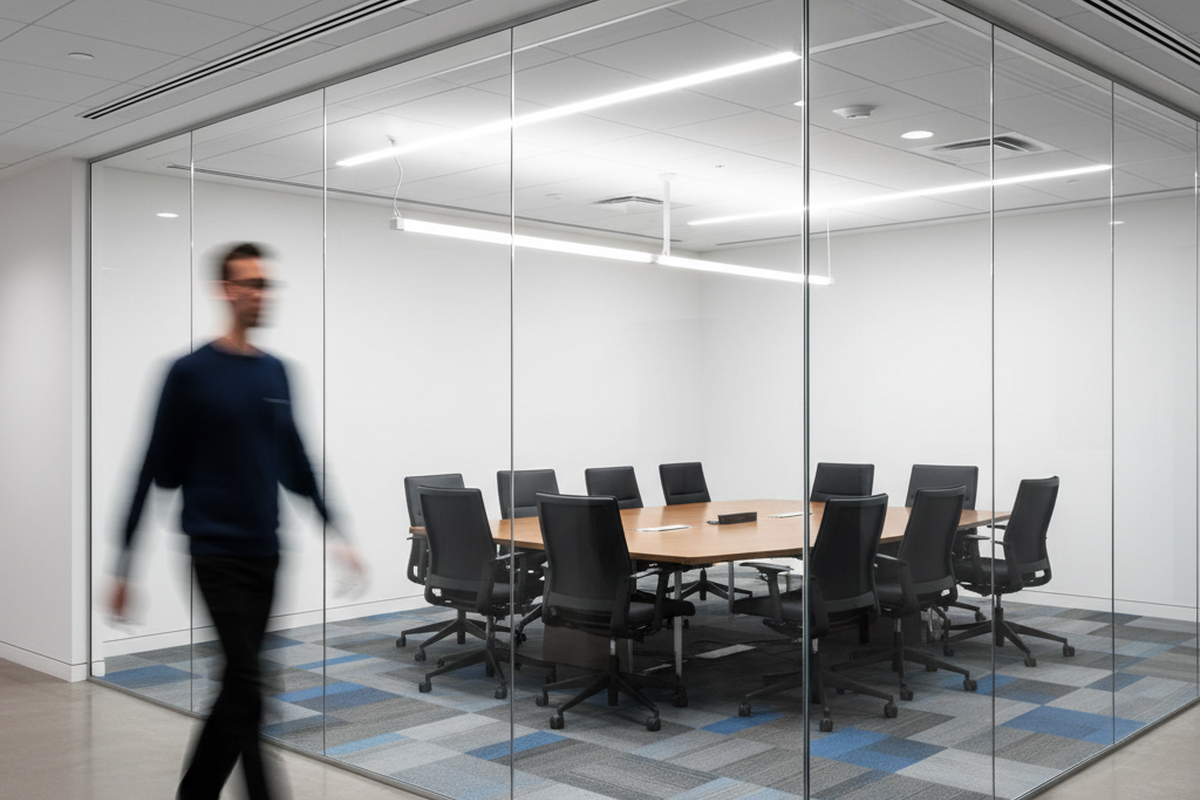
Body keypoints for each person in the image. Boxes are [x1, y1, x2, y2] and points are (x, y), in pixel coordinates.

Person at [109, 242, 361, 800]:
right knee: (248, 684)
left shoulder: (276, 372)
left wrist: (334, 528)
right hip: (214, 552)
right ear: (225, 290)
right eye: (248, 283)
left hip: (266, 554)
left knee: (241, 688)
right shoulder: (189, 373)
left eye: (265, 284)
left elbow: (295, 460)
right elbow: (153, 467)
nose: (258, 294)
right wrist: (124, 562)